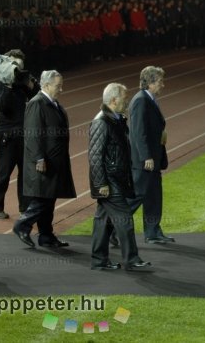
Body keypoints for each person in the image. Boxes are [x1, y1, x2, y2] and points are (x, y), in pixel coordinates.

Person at [88, 83, 151, 270]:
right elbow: (95, 155)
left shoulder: (116, 120)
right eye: (125, 97)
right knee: (124, 219)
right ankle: (132, 260)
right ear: (114, 100)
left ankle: (99, 260)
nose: (127, 100)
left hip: (115, 179)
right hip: (109, 181)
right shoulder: (101, 122)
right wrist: (101, 184)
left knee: (103, 221)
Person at [12, 70, 76, 248]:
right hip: (44, 162)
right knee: (43, 199)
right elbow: (32, 135)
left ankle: (46, 235)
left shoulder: (52, 103)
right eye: (58, 85)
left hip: (54, 161)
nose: (61, 89)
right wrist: (39, 158)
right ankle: (22, 225)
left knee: (49, 198)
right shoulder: (37, 104)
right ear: (46, 85)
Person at [0, 49, 38, 219]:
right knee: (4, 172)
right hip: (7, 134)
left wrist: (31, 84)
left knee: (25, 172)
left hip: (24, 132)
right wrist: (9, 85)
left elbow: (36, 95)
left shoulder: (21, 82)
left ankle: (25, 207)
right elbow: (3, 106)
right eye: (14, 65)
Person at [126, 66, 174, 244]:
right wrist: (146, 156)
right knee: (136, 197)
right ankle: (111, 229)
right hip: (143, 161)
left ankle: (153, 231)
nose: (163, 84)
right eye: (160, 81)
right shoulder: (140, 100)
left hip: (153, 158)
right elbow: (138, 132)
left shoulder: (149, 99)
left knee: (153, 196)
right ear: (151, 82)